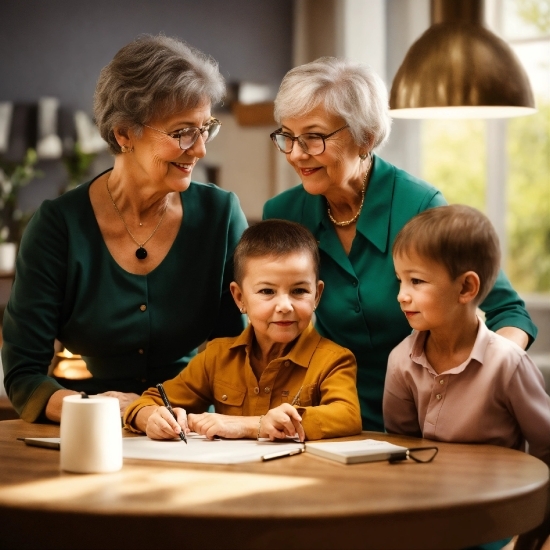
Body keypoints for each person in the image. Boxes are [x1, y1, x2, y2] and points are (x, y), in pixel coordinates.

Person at [262, 57, 537, 432]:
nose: (295, 153)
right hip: (326, 418)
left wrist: (478, 382)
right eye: (288, 136)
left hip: (424, 424)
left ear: (365, 138)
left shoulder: (419, 205)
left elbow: (509, 311)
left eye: (313, 137)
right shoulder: (283, 213)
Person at [2, 34, 248, 423]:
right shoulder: (57, 226)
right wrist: (100, 410)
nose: (200, 149)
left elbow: (238, 354)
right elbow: (23, 374)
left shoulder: (220, 216)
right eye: (183, 132)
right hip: (91, 426)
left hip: (196, 427)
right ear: (123, 133)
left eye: (206, 128)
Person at [383, 205, 550, 550]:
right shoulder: (401, 361)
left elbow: (548, 446)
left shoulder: (508, 364)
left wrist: (534, 532)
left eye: (416, 280)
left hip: (498, 522)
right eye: (400, 280)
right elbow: (403, 449)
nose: (402, 294)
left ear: (466, 288)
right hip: (430, 519)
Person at [124, 219, 362, 441]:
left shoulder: (334, 360)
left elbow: (347, 416)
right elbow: (149, 402)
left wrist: (251, 425)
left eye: (299, 291)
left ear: (317, 295)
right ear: (239, 298)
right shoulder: (217, 357)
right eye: (267, 291)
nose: (285, 306)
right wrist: (150, 418)